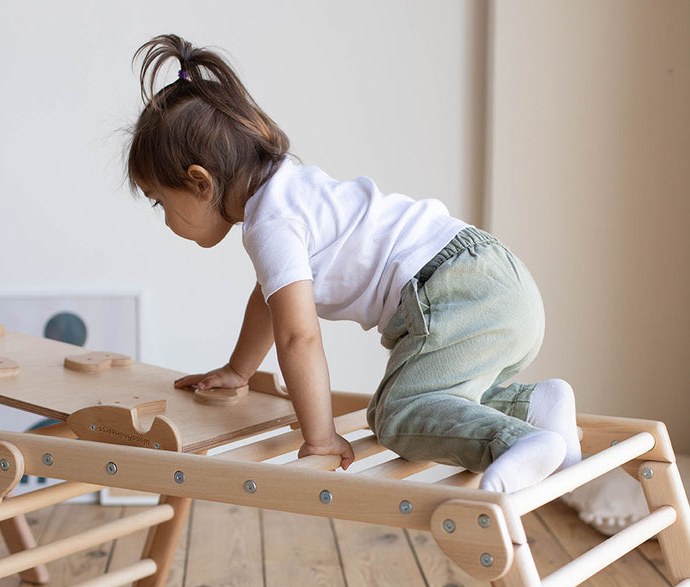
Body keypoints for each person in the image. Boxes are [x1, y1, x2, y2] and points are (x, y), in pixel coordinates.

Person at [127, 34, 581, 492]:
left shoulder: (271, 224)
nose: (165, 218)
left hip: (451, 291)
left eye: (158, 202)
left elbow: (297, 336)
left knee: (396, 414)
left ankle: (515, 442)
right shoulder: (291, 190)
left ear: (199, 182)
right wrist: (238, 370)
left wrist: (320, 437)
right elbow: (270, 301)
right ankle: (537, 406)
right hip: (499, 279)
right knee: (443, 397)